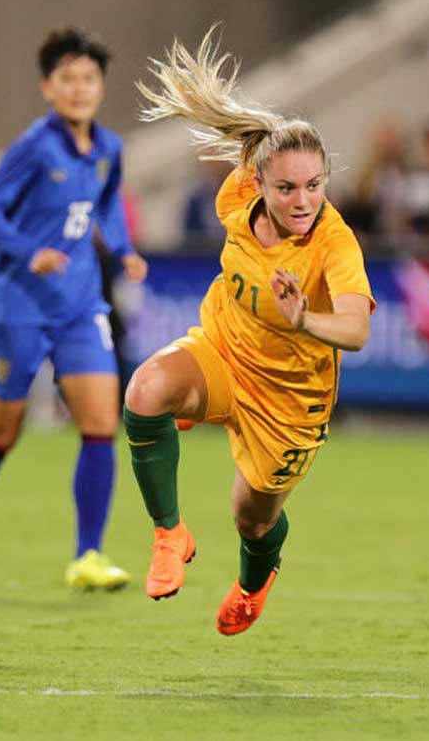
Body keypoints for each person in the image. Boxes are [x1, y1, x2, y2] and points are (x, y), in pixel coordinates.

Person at [123, 32, 374, 636]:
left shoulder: (333, 242)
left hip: (289, 404)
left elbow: (359, 329)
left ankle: (255, 583)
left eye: (314, 186)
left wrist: (305, 320)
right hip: (223, 351)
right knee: (144, 391)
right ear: (258, 183)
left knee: (251, 522)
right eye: (287, 187)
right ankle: (169, 534)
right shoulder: (236, 196)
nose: (303, 200)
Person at [0, 27, 147, 596]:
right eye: (68, 79)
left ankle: (89, 555)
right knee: (3, 431)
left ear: (101, 87)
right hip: (19, 308)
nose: (80, 89)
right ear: (47, 88)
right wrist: (33, 254)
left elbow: (108, 205)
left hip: (80, 307)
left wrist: (124, 252)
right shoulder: (34, 146)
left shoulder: (108, 148)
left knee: (102, 425)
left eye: (89, 78)